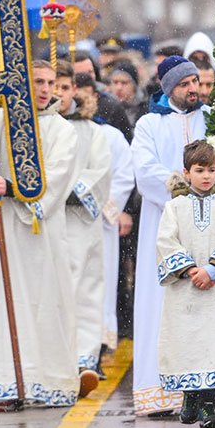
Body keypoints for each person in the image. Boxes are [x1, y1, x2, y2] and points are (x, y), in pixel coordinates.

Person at [0, 59, 81, 410]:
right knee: (4, 304)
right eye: (38, 81)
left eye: (51, 82)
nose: (46, 89)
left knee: (47, 302)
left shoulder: (62, 129)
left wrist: (13, 187)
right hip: (0, 225)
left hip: (41, 228)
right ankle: (8, 383)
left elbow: (58, 178)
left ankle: (50, 382)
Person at [130, 55, 207, 415]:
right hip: (163, 227)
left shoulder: (214, 118)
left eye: (195, 82)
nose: (193, 89)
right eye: (184, 84)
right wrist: (185, 188)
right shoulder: (149, 124)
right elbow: (144, 172)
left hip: (208, 226)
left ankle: (209, 393)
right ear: (169, 89)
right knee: (161, 305)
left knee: (206, 306)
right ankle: (161, 392)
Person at [156, 140, 215, 428]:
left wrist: (212, 269)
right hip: (185, 293)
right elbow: (165, 241)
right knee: (187, 343)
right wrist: (190, 270)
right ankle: (189, 397)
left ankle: (210, 404)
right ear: (187, 172)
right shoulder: (174, 208)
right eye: (200, 170)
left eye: (211, 170)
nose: (207, 176)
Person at [55, 64, 114, 397]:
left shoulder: (92, 131)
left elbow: (100, 171)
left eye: (66, 87)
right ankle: (56, 359)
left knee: (86, 288)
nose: (61, 94)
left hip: (79, 219)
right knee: (55, 290)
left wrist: (63, 190)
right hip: (48, 220)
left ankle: (84, 359)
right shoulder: (39, 128)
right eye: (56, 87)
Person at [74, 76, 135, 373]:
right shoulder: (60, 131)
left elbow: (124, 174)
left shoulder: (109, 135)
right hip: (64, 224)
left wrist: (102, 204)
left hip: (99, 222)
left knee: (99, 286)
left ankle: (93, 354)